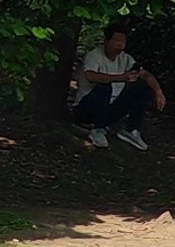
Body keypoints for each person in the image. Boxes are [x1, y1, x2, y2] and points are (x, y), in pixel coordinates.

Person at [70, 23, 164, 152]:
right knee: (104, 86)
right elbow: (90, 76)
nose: (120, 45)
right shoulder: (94, 55)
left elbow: (146, 75)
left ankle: (132, 130)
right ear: (107, 41)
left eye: (123, 41)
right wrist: (121, 78)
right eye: (116, 40)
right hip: (86, 108)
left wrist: (158, 91)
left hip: (109, 110)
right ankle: (97, 129)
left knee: (142, 88)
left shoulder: (125, 59)